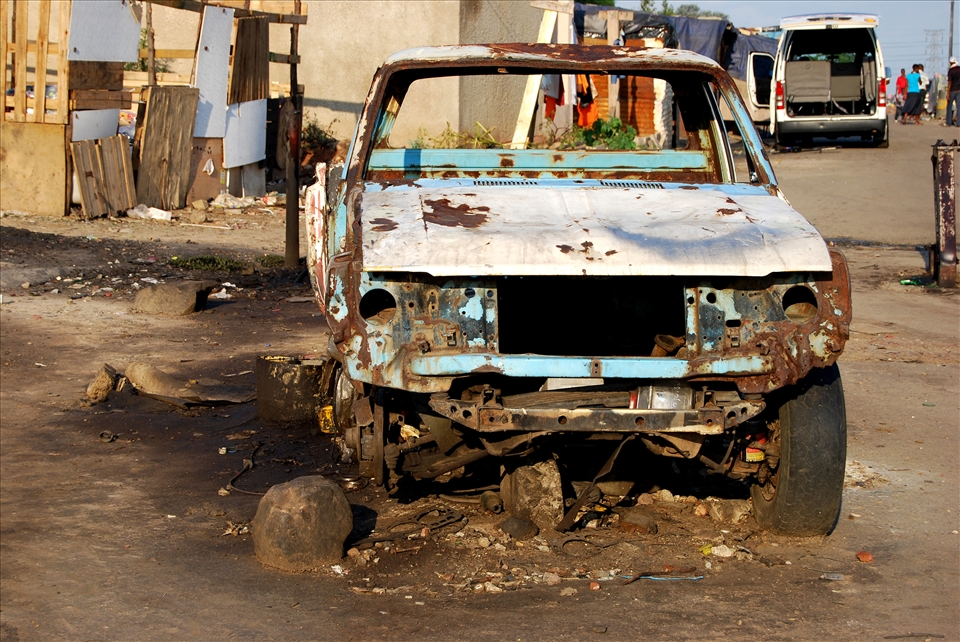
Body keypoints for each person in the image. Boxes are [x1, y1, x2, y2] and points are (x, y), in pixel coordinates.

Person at [946, 57, 960, 126]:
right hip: (959, 90)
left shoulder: (951, 71)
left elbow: (950, 82)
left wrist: (948, 92)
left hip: (952, 90)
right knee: (959, 106)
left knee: (949, 106)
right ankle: (959, 123)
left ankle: (948, 122)